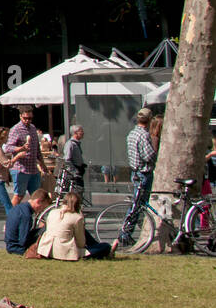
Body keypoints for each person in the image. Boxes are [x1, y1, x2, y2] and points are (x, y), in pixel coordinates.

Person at [114, 108, 158, 254]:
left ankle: (132, 230)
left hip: (135, 171)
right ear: (149, 120)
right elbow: (148, 155)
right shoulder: (144, 135)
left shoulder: (132, 133)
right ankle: (125, 234)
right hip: (143, 172)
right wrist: (156, 153)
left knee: (139, 203)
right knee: (137, 204)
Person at [37, 191, 113, 260]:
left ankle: (96, 246)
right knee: (106, 246)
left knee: (83, 232)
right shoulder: (77, 218)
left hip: (47, 251)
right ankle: (104, 249)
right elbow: (81, 243)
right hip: (63, 252)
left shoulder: (52, 212)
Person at [3, 105, 43, 206]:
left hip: (33, 169)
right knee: (19, 196)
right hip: (20, 169)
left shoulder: (33, 128)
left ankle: (39, 220)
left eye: (30, 118)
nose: (27, 120)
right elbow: (8, 148)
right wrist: (20, 149)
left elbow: (37, 149)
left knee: (37, 197)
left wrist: (43, 165)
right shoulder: (16, 129)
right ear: (20, 116)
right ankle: (11, 218)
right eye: (25, 118)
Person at [4, 187, 51, 256]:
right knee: (45, 229)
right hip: (17, 247)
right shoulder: (26, 215)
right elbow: (23, 240)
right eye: (42, 207)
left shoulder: (19, 207)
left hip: (11, 244)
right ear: (38, 201)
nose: (42, 210)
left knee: (41, 230)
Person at [60, 124, 88, 201]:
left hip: (78, 172)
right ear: (75, 133)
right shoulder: (70, 144)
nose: (83, 133)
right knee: (77, 194)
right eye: (81, 131)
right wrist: (75, 172)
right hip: (74, 175)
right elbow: (67, 160)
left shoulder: (76, 144)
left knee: (79, 193)